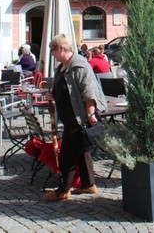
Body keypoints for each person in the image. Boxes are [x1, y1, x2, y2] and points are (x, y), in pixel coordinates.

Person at [44, 34, 107, 202]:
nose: (53, 55)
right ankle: (88, 184)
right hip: (68, 116)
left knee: (68, 154)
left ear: (61, 49)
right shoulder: (62, 67)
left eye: (53, 51)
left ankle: (63, 190)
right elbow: (64, 90)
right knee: (82, 151)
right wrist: (52, 94)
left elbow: (89, 92)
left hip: (78, 117)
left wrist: (91, 114)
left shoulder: (79, 66)